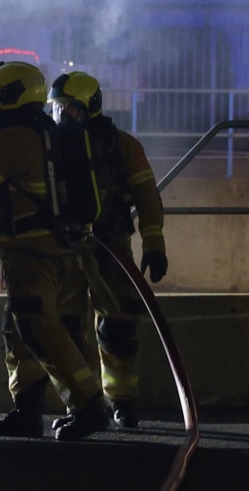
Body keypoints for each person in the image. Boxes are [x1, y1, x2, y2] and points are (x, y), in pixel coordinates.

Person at [0, 61, 108, 441]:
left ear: (11, 93)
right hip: (55, 250)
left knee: (40, 332)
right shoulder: (46, 131)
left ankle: (89, 406)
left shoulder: (15, 136)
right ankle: (27, 411)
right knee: (21, 331)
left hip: (30, 253)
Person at [50, 71, 166, 429]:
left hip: (110, 248)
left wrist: (154, 244)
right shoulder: (49, 145)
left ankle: (123, 402)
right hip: (65, 249)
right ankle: (83, 405)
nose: (60, 116)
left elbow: (147, 197)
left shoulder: (122, 145)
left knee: (118, 326)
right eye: (56, 108)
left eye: (68, 108)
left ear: (88, 108)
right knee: (66, 329)